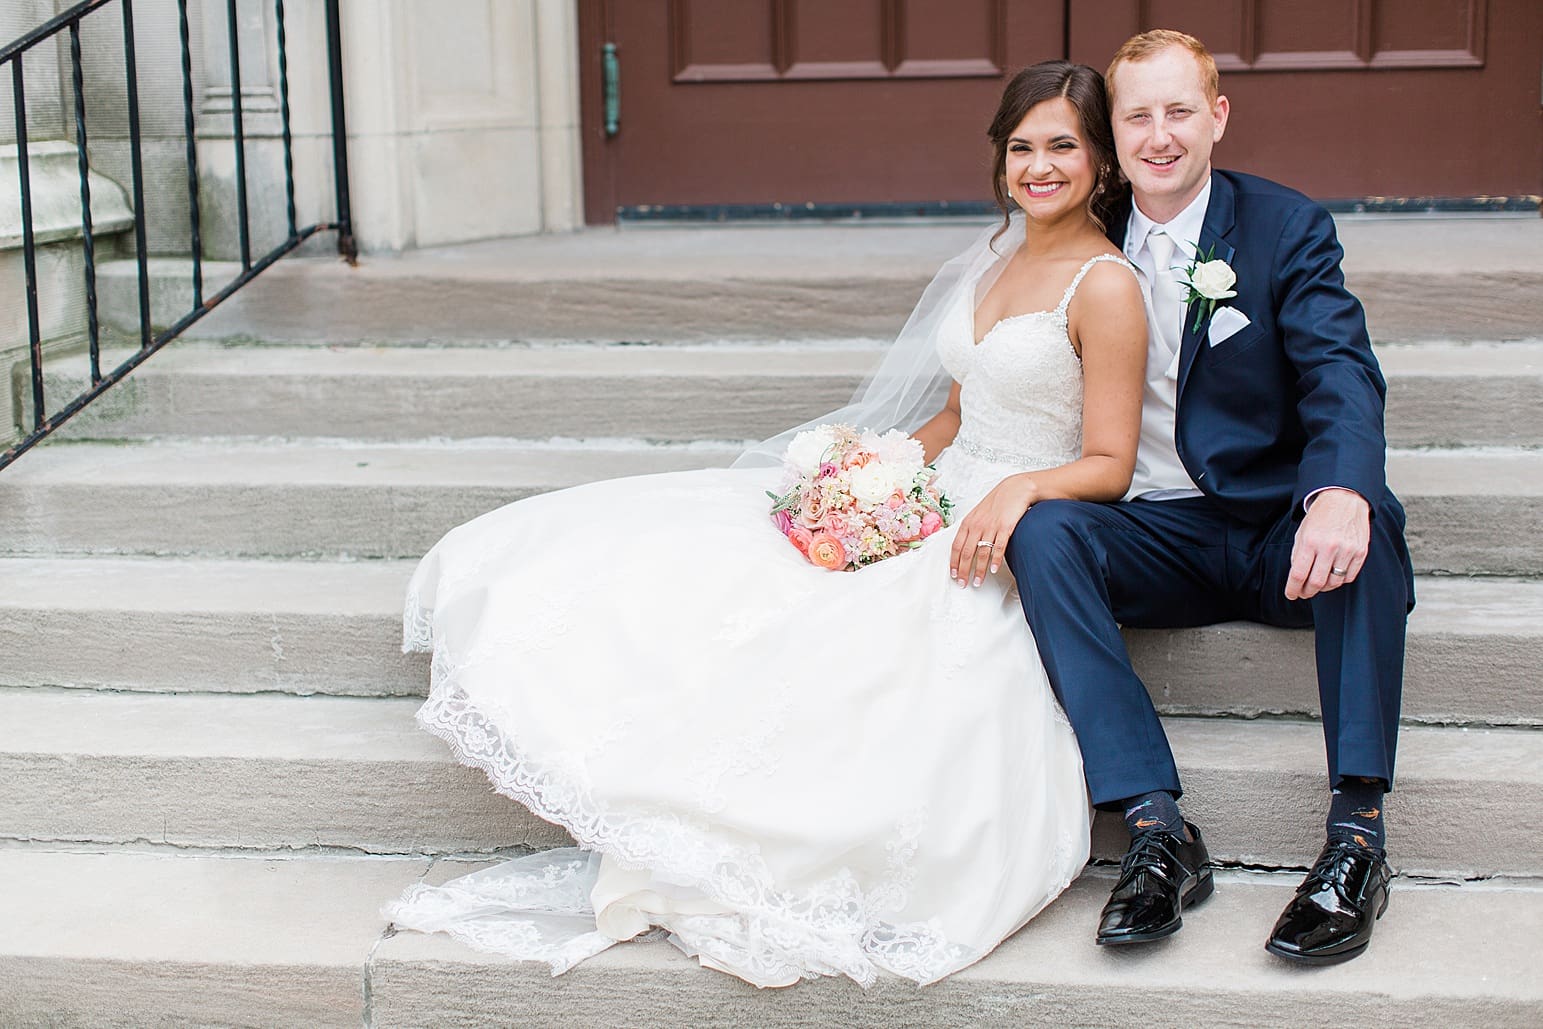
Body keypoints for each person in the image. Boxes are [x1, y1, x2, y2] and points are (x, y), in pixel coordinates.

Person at [384, 61, 1148, 988]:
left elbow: (1108, 462)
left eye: (1062, 146)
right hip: (935, 491)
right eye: (1020, 146)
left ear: (1102, 161)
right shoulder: (997, 260)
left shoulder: (1105, 285)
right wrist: (875, 474)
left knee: (847, 648)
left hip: (1002, 525)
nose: (1037, 166)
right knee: (713, 558)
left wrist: (1018, 491)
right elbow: (958, 409)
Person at [1006, 30, 1414, 966]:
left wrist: (1341, 490)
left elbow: (1341, 374)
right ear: (1111, 131)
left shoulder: (1281, 226)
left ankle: (1356, 840)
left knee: (1371, 520)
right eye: (1136, 116)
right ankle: (1156, 829)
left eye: (1178, 111)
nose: (1158, 136)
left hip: (1277, 531)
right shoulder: (1081, 235)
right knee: (1045, 533)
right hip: (1153, 532)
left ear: (1217, 117)